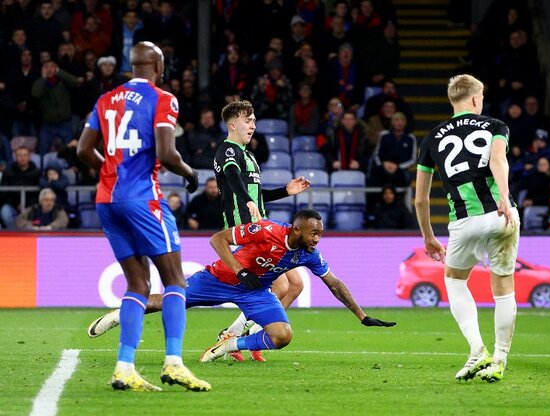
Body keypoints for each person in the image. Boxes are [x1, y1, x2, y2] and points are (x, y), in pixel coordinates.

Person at [77, 41, 210, 392]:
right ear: (158, 66)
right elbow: (167, 153)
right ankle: (174, 363)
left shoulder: (105, 99)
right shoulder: (163, 97)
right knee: (175, 282)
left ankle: (124, 368)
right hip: (143, 199)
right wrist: (190, 173)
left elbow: (82, 149)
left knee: (137, 284)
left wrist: (110, 173)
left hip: (107, 200)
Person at [85, 210, 396, 358]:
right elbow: (217, 238)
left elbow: (335, 284)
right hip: (218, 279)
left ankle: (230, 344)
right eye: (313, 234)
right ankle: (118, 314)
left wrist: (361, 315)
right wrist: (238, 269)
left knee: (282, 336)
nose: (317, 240)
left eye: (320, 235)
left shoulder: (309, 254)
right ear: (298, 229)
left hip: (255, 293)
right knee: (169, 301)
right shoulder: (265, 230)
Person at [415, 74, 519, 383]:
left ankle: (477, 350)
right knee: (503, 287)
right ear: (476, 99)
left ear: (453, 101)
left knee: (455, 281)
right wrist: (502, 195)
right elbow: (498, 159)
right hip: (502, 215)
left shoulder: (432, 138)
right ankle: (499, 359)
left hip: (465, 220)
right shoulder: (496, 127)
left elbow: (420, 199)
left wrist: (429, 237)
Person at [214, 99, 311, 361]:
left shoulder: (249, 155)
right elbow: (234, 179)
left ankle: (254, 335)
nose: (253, 125)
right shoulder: (228, 151)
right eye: (249, 120)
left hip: (261, 228)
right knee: (279, 285)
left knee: (296, 285)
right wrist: (246, 200)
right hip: (243, 229)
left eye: (254, 120)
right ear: (233, 125)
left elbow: (257, 196)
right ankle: (233, 336)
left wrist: (285, 191)